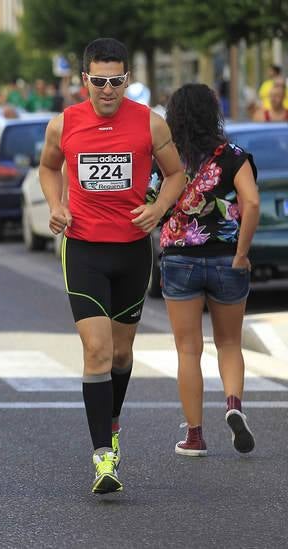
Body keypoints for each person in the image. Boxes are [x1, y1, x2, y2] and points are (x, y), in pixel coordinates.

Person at [38, 38, 186, 494]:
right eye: (99, 81)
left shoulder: (150, 124)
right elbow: (47, 168)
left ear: (127, 80)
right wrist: (55, 203)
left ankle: (113, 422)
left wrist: (158, 209)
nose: (107, 90)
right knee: (97, 349)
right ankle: (103, 454)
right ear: (85, 80)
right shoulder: (64, 124)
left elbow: (177, 174)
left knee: (122, 354)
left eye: (116, 81)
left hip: (131, 252)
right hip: (84, 250)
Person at [160, 84, 259, 457]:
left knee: (188, 350)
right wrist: (242, 253)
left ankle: (195, 436)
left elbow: (151, 203)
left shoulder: (169, 158)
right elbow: (250, 203)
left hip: (180, 260)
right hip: (227, 260)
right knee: (230, 343)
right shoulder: (234, 156)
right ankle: (233, 405)